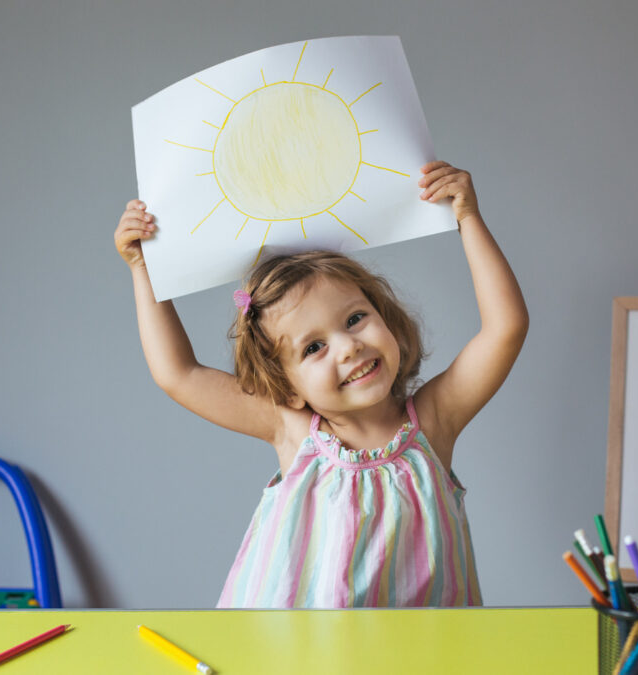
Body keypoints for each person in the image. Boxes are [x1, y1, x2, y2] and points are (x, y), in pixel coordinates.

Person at [114, 161, 528, 607]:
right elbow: (178, 373)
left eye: (355, 319)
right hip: (294, 656)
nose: (348, 347)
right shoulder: (290, 427)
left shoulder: (433, 423)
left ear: (384, 318)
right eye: (313, 348)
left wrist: (468, 218)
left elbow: (506, 326)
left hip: (417, 657)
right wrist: (142, 266)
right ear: (287, 387)